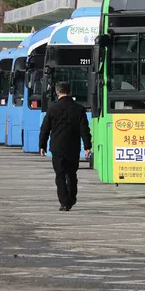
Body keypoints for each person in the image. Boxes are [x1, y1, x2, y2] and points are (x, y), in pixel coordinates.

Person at [39, 81, 92, 211]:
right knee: (72, 174)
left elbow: (45, 129)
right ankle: (72, 198)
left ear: (57, 92)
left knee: (60, 175)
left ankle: (64, 202)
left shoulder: (52, 108)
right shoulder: (79, 109)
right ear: (69, 92)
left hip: (57, 147)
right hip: (73, 147)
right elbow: (84, 130)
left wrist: (42, 146)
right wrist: (87, 146)